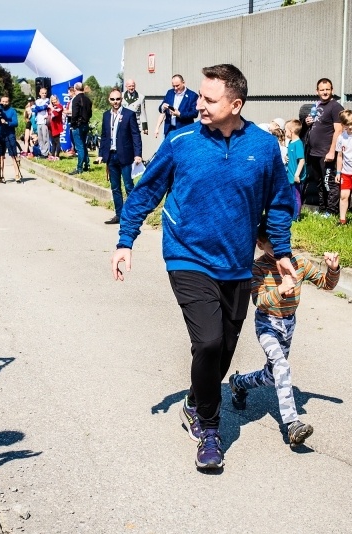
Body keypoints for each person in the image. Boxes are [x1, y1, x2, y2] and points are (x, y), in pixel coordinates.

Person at [110, 64, 294, 470]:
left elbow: (279, 204)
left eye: (210, 100)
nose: (199, 105)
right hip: (187, 255)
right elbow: (145, 193)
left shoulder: (263, 148)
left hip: (237, 264)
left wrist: (282, 252)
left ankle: (197, 398)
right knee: (209, 341)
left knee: (225, 347)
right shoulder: (182, 141)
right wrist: (126, 241)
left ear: (236, 104)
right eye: (199, 97)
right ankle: (209, 430)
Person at [228, 226, 340, 448]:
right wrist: (280, 289)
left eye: (284, 244)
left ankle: (238, 383)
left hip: (289, 324)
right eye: (273, 246)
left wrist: (333, 269)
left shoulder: (298, 262)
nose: (281, 250)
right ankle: (292, 424)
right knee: (281, 366)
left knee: (272, 375)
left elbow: (326, 284)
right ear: (260, 245)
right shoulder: (258, 267)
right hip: (267, 323)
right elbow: (258, 301)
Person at [97, 89, 143, 225]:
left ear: (121, 99)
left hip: (125, 155)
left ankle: (133, 214)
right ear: (109, 100)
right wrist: (101, 154)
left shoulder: (129, 114)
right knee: (115, 187)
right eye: (112, 99)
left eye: (117, 99)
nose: (115, 102)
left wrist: (138, 154)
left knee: (129, 186)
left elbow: (135, 135)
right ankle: (119, 214)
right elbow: (104, 136)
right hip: (111, 156)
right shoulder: (106, 115)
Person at [305, 78, 344, 217]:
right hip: (314, 152)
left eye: (327, 89)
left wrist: (332, 151)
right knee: (320, 183)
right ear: (317, 91)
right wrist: (308, 122)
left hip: (326, 152)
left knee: (330, 183)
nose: (325, 92)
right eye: (322, 90)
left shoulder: (336, 107)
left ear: (332, 90)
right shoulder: (318, 105)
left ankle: (332, 211)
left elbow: (338, 130)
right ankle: (322, 209)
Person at [68, 82, 92, 175]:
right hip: (86, 124)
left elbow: (75, 114)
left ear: (75, 89)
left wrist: (73, 124)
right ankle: (87, 164)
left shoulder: (76, 99)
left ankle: (79, 167)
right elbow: (90, 114)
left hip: (78, 125)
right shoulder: (88, 100)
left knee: (79, 147)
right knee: (83, 145)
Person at [285, 119, 306, 220]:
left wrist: (297, 174)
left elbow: (301, 160)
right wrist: (286, 157)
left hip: (296, 177)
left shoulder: (298, 144)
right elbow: (291, 157)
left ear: (291, 131)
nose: (285, 132)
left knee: (296, 197)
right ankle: (291, 213)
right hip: (289, 176)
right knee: (290, 196)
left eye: (286, 130)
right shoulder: (290, 143)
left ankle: (296, 216)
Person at [32, 87, 51, 158]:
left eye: (45, 93)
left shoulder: (47, 100)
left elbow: (43, 108)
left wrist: (38, 108)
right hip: (38, 121)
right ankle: (42, 151)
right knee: (40, 138)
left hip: (44, 121)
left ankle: (46, 153)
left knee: (45, 137)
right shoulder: (37, 101)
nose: (44, 94)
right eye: (42, 93)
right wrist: (38, 108)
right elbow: (34, 110)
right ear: (40, 93)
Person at [48, 94, 64, 160]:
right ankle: (52, 154)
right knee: (53, 141)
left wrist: (52, 108)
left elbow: (56, 114)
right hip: (51, 126)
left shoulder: (59, 106)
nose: (54, 101)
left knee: (57, 141)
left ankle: (57, 155)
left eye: (55, 99)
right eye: (52, 100)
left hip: (57, 126)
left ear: (57, 99)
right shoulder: (51, 107)